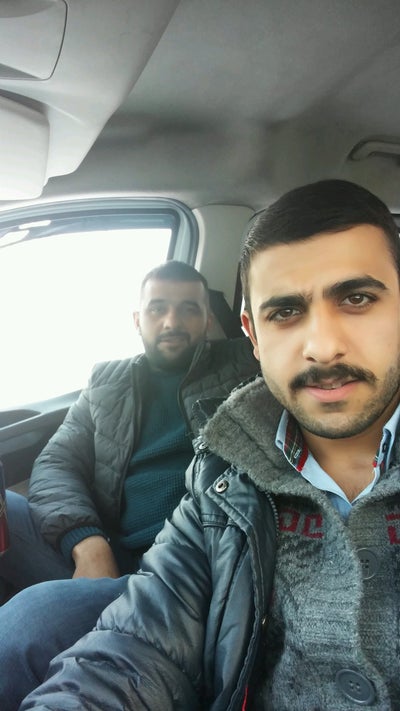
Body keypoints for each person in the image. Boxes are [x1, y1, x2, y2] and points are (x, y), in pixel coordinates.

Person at [11, 177, 400, 710]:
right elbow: (134, 647)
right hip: (135, 554)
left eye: (357, 298)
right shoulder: (204, 462)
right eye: (285, 312)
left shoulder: (232, 384)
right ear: (255, 333)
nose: (323, 346)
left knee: (33, 619)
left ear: (213, 321)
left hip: (171, 565)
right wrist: (87, 540)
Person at [0, 259, 258, 709]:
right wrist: (87, 542)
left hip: (179, 576)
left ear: (208, 320)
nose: (172, 321)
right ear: (137, 319)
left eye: (188, 309)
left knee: (22, 626)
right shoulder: (107, 381)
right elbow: (57, 462)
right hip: (105, 550)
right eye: (158, 308)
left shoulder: (245, 369)